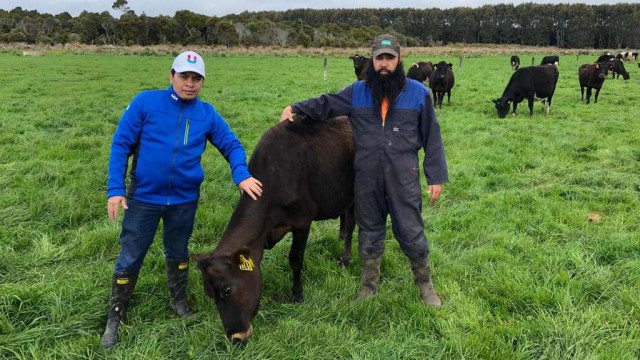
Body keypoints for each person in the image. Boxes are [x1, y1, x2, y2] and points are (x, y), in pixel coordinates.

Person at [102, 50, 263, 348]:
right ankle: (116, 314)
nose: (189, 83)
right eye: (184, 76)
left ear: (202, 81)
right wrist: (115, 189)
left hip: (183, 200)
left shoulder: (206, 113)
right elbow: (121, 144)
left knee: (178, 252)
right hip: (144, 198)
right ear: (171, 76)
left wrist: (240, 172)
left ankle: (178, 302)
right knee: (131, 254)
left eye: (196, 78)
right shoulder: (145, 103)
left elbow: (232, 144)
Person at [280, 34, 448, 308]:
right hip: (367, 177)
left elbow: (432, 135)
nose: (384, 65)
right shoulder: (357, 92)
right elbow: (327, 103)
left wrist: (436, 176)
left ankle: (425, 285)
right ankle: (369, 285)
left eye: (389, 59)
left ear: (399, 59)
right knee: (369, 231)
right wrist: (296, 108)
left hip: (402, 176)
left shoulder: (419, 93)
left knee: (411, 231)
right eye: (379, 59)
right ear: (372, 60)